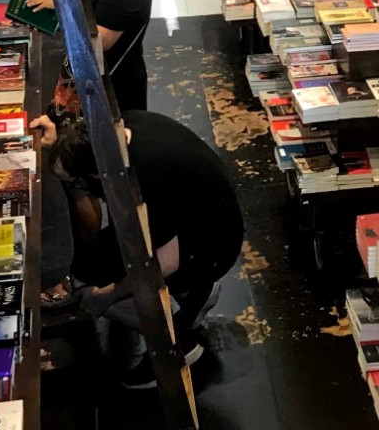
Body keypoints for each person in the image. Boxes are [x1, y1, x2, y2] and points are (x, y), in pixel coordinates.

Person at [31, 105, 245, 380]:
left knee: (93, 281)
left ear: (95, 175)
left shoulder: (149, 181)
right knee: (89, 262)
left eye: (75, 182)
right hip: (205, 219)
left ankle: (174, 345)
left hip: (212, 245)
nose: (75, 188)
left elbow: (161, 263)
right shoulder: (122, 131)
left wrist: (106, 295)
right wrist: (58, 148)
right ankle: (194, 293)